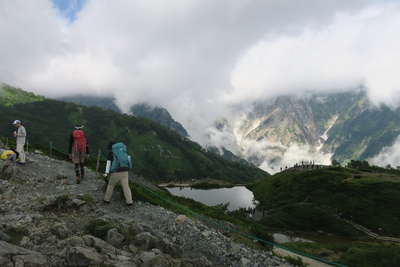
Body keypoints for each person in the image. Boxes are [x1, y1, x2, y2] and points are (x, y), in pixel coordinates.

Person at [103, 141, 133, 206]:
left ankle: (106, 199)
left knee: (111, 185)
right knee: (126, 186)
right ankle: (129, 201)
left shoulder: (111, 153)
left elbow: (108, 164)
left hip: (116, 172)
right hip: (125, 171)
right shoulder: (122, 151)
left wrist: (106, 173)